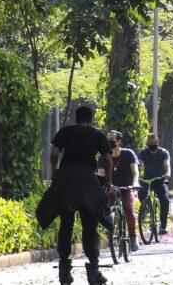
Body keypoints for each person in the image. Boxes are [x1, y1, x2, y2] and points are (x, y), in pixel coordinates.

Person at [36, 105, 113, 284]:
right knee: (90, 225)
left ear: (76, 118)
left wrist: (55, 172)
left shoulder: (65, 131)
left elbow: (54, 153)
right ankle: (93, 271)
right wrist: (108, 181)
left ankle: (64, 271)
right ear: (91, 118)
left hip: (66, 180)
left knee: (66, 224)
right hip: (87, 180)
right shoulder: (97, 134)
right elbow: (108, 157)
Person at [107, 130, 141, 252]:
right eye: (108, 139)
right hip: (112, 188)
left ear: (119, 142)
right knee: (105, 207)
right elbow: (100, 172)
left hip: (127, 188)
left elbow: (135, 171)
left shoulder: (128, 154)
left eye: (112, 139)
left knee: (128, 208)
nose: (109, 142)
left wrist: (135, 182)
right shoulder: (105, 155)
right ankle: (111, 226)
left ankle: (133, 237)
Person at [138, 134, 171, 235]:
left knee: (164, 200)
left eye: (155, 142)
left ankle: (163, 226)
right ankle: (147, 207)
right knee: (141, 193)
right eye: (150, 143)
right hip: (148, 180)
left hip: (160, 180)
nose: (152, 144)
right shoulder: (143, 152)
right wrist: (136, 172)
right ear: (147, 143)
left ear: (158, 142)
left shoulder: (164, 153)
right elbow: (138, 164)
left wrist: (167, 173)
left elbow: (167, 165)